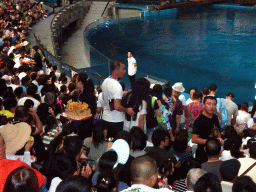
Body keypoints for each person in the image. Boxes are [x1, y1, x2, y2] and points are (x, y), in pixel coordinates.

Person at [102, 60, 135, 138]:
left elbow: (105, 97)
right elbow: (117, 106)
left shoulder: (105, 81)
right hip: (115, 121)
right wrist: (127, 110)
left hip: (105, 118)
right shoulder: (117, 85)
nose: (125, 71)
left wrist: (121, 93)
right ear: (116, 70)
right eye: (123, 69)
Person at [192, 96, 223, 163]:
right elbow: (194, 139)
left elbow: (217, 130)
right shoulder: (199, 121)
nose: (211, 107)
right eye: (209, 104)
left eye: (214, 104)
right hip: (203, 154)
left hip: (215, 154)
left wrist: (220, 139)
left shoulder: (215, 117)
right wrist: (211, 142)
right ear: (203, 105)